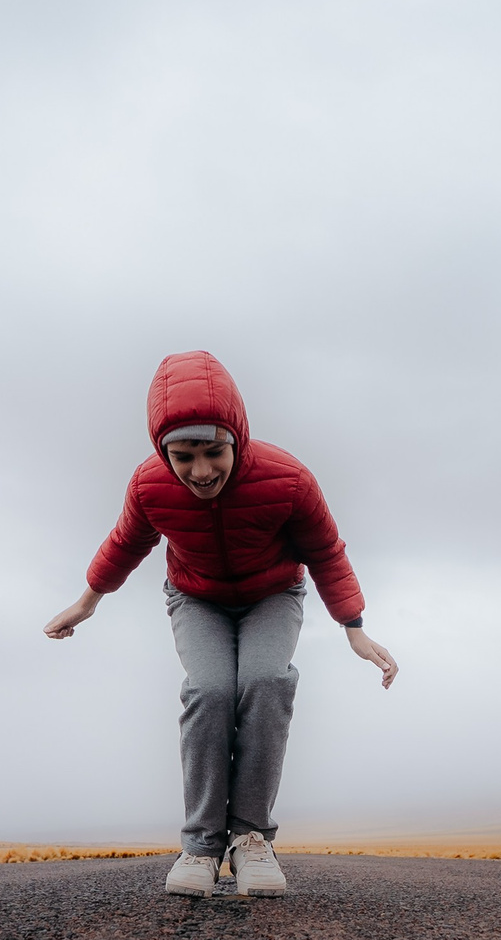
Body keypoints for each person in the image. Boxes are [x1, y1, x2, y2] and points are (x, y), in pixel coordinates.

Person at [44, 352, 397, 898]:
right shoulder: (148, 487)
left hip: (273, 595)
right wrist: (88, 601)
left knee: (266, 681)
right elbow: (125, 543)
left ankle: (252, 838)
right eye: (184, 456)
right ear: (163, 452)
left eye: (214, 452)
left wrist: (353, 627)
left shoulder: (289, 479)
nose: (201, 471)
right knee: (209, 690)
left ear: (238, 438)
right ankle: (202, 847)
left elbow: (326, 551)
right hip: (196, 598)